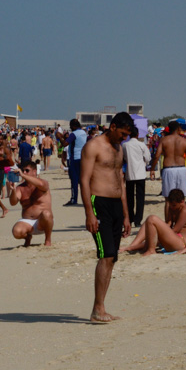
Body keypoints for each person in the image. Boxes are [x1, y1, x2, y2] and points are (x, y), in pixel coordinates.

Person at [79, 112, 134, 323]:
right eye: (122, 133)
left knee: (112, 257)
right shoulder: (93, 146)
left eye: (127, 135)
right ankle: (97, 309)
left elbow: (120, 181)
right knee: (106, 254)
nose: (124, 138)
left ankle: (100, 308)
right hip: (98, 203)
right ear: (112, 127)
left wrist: (127, 215)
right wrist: (89, 213)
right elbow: (83, 181)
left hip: (116, 205)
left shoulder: (119, 148)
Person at [150, 120, 186, 217]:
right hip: (181, 169)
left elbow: (157, 155)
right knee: (181, 199)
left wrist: (152, 169)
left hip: (168, 169)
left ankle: (168, 224)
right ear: (178, 129)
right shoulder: (184, 141)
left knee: (168, 200)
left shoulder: (164, 140)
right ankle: (180, 223)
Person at [8, 161, 54, 247]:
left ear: (34, 171)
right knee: (16, 232)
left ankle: (48, 239)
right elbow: (13, 203)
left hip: (43, 222)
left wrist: (22, 175)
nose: (24, 172)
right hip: (27, 221)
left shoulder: (43, 183)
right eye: (23, 170)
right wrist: (13, 190)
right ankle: (27, 237)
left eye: (27, 170)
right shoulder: (20, 188)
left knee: (46, 213)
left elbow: (41, 184)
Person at [122, 126, 151, 228]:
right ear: (138, 134)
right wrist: (143, 161)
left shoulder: (125, 145)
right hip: (140, 174)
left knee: (129, 198)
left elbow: (124, 158)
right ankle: (138, 220)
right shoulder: (141, 145)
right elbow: (148, 158)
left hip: (130, 173)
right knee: (140, 198)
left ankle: (130, 218)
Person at [57, 119, 88, 206]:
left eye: (71, 126)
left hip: (74, 159)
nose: (70, 128)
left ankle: (74, 199)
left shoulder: (74, 134)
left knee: (74, 180)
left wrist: (59, 137)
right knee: (82, 180)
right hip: (82, 158)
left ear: (73, 126)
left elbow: (65, 144)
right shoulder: (83, 132)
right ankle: (86, 199)